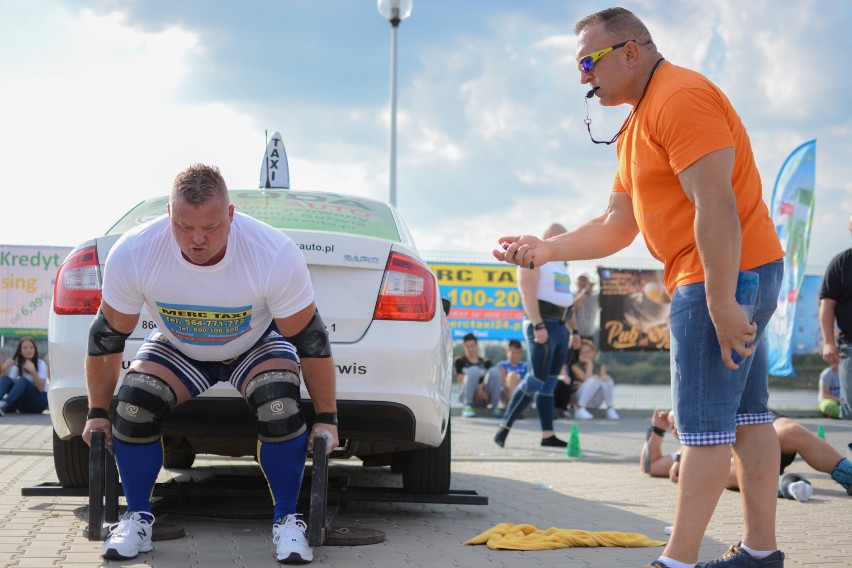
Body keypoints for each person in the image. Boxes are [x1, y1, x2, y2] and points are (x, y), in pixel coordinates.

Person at [493, 8, 786, 567]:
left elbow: (717, 205)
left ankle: (676, 560)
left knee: (702, 429)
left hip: (717, 275)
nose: (582, 77)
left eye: (588, 62)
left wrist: (722, 299)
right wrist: (549, 248)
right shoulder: (638, 119)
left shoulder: (679, 98)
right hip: (738, 269)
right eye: (578, 66)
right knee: (749, 418)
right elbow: (616, 223)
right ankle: (760, 552)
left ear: (630, 51)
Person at [82, 164, 338, 564]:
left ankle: (287, 520)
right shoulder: (135, 251)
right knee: (133, 403)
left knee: (278, 402)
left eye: (212, 227)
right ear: (169, 214)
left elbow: (310, 340)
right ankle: (137, 518)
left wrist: (328, 418)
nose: (197, 239)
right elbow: (107, 337)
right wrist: (97, 413)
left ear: (231, 215)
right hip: (180, 344)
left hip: (254, 342)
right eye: (184, 227)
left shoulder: (272, 253)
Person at [494, 223, 581, 448]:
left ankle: (547, 435)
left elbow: (566, 301)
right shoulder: (533, 256)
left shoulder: (561, 265)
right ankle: (504, 428)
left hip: (561, 326)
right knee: (536, 379)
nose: (567, 240)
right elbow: (527, 294)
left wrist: (575, 331)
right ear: (551, 236)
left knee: (549, 383)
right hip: (542, 323)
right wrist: (537, 325)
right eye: (564, 235)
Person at [641, 410, 852, 500]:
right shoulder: (688, 449)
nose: (677, 430)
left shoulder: (702, 399)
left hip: (761, 433)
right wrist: (658, 430)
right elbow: (651, 466)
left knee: (790, 430)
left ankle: (849, 476)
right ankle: (787, 485)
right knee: (717, 468)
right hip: (735, 459)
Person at [819, 214, 852, 420]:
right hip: (850, 346)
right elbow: (827, 305)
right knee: (850, 410)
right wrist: (828, 342)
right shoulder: (841, 263)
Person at [569, 339, 619, 420]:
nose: (585, 355)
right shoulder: (575, 366)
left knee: (607, 379)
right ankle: (580, 408)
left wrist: (599, 379)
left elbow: (603, 382)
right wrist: (589, 363)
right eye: (583, 352)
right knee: (594, 379)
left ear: (593, 352)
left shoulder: (601, 366)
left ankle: (610, 408)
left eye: (588, 352)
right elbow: (586, 379)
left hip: (595, 399)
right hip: (580, 398)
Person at [455, 333, 502, 418]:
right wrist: (478, 389)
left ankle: (495, 406)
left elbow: (491, 379)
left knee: (494, 371)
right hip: (466, 393)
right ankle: (468, 406)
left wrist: (481, 389)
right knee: (473, 370)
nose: (470, 349)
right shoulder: (459, 361)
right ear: (464, 347)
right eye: (467, 346)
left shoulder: (485, 362)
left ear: (477, 345)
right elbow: (460, 380)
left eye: (472, 346)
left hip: (484, 395)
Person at [0, 337, 49, 415]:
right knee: (6, 379)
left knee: (23, 381)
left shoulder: (41, 364)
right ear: (20, 351)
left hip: (39, 403)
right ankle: (3, 405)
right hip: (23, 405)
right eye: (25, 348)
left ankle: (4, 403)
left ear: (35, 350)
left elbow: (41, 388)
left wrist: (33, 371)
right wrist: (3, 368)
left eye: (31, 347)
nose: (28, 350)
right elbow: (8, 384)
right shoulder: (17, 366)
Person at [496, 339, 529, 404]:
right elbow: (501, 382)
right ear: (507, 352)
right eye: (513, 353)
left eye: (518, 353)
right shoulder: (501, 365)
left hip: (522, 391)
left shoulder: (525, 366)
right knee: (512, 376)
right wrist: (513, 380)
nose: (515, 356)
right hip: (506, 393)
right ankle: (512, 404)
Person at [573, 273, 600, 342]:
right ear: (576, 282)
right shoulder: (573, 294)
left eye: (584, 280)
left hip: (590, 336)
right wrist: (582, 293)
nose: (582, 282)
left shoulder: (594, 296)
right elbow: (573, 308)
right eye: (580, 280)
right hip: (575, 336)